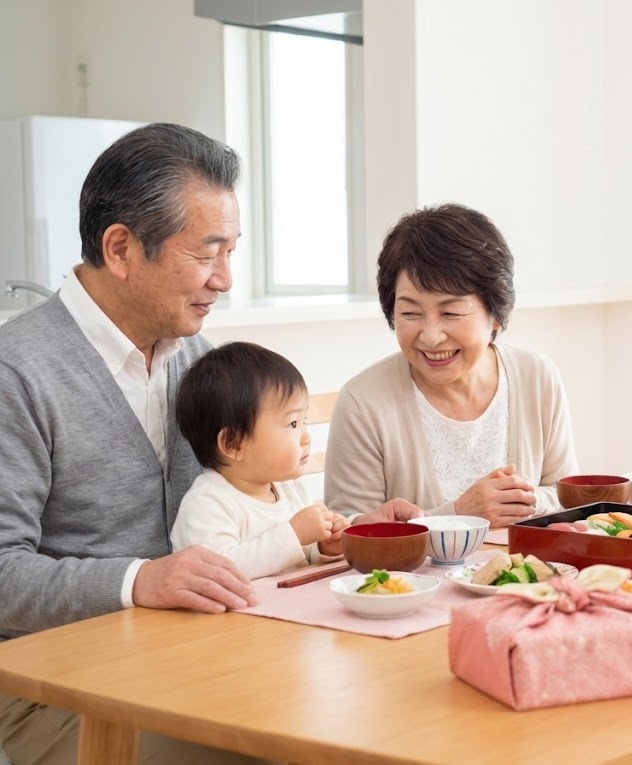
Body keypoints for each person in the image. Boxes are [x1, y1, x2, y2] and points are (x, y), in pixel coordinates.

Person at [0, 124, 418, 765]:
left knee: (379, 712)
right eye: (207, 253)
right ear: (121, 248)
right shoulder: (17, 372)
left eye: (232, 252)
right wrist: (141, 581)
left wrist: (345, 532)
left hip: (199, 655)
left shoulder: (197, 358)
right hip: (54, 688)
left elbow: (252, 509)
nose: (224, 279)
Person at [325, 203, 579, 528]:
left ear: (496, 314)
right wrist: (458, 513)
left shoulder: (538, 377)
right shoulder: (364, 402)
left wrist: (515, 503)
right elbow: (346, 536)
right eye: (410, 313)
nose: (431, 337)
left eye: (451, 313)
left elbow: (567, 497)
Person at [171, 342, 353, 579]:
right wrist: (294, 535)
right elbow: (219, 571)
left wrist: (322, 547)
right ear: (233, 443)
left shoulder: (289, 489)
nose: (306, 437)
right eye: (293, 424)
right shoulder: (207, 503)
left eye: (304, 421)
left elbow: (298, 557)